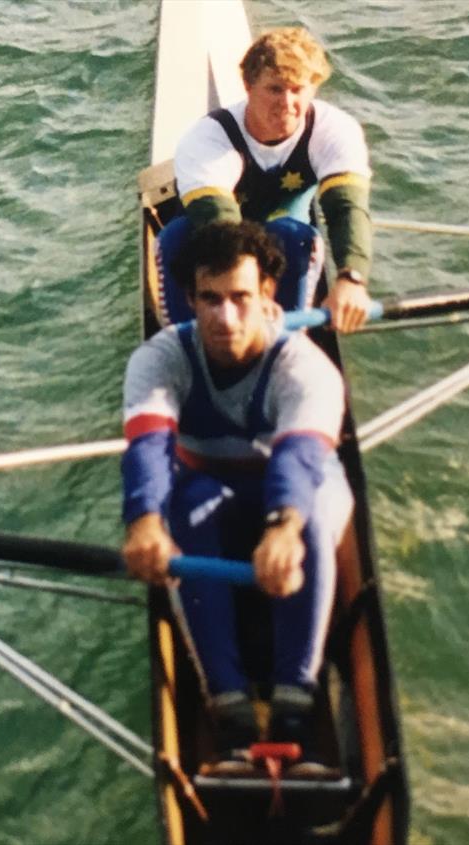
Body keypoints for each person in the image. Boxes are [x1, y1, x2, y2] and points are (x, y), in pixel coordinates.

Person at [122, 221, 353, 776]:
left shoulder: (306, 367)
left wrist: (283, 528)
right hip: (210, 487)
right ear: (189, 300)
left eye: (240, 299)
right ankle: (229, 713)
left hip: (296, 491)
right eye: (210, 300)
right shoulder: (159, 359)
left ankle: (298, 703)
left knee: (313, 521)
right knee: (185, 513)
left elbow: (298, 461)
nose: (225, 319)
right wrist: (144, 521)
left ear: (267, 295)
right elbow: (150, 450)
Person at [156, 26, 374, 333]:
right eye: (275, 89)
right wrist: (249, 297)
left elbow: (347, 209)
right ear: (248, 85)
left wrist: (351, 279)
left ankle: (283, 343)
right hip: (211, 241)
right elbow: (220, 220)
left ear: (313, 89)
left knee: (296, 236)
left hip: (284, 245)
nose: (287, 102)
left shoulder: (335, 130)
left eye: (297, 89)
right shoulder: (208, 137)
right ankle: (185, 344)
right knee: (174, 238)